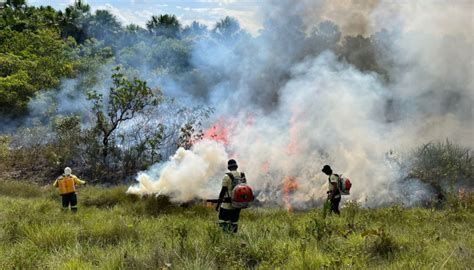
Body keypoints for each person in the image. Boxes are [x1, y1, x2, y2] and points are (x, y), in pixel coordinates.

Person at [215, 159, 246, 233]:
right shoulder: (242, 175)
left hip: (227, 205)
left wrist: (218, 205)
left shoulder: (226, 176)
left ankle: (225, 236)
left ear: (228, 167)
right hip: (238, 204)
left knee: (222, 221)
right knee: (234, 222)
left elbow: (222, 192)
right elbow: (244, 188)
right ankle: (233, 235)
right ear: (237, 166)